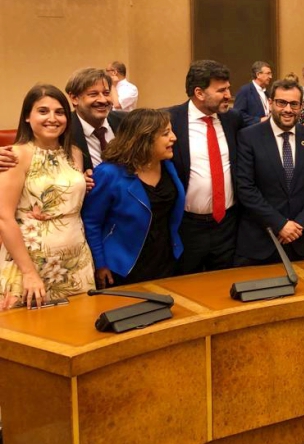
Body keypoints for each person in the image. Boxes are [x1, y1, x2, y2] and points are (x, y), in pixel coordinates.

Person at [0, 84, 95, 309]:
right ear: (27, 116)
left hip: (75, 258)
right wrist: (29, 273)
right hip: (30, 261)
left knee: (79, 323)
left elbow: (67, 196)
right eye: (43, 111)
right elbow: (4, 218)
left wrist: (82, 186)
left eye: (59, 112)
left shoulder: (74, 153)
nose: (52, 118)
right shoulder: (16, 155)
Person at [82, 109, 185, 287]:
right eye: (166, 133)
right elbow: (92, 222)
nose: (174, 137)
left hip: (165, 259)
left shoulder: (168, 166)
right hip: (123, 266)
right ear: (144, 138)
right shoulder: (109, 173)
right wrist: (100, 264)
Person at [236, 79, 304, 263]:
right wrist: (280, 224)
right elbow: (245, 188)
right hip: (260, 241)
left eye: (294, 104)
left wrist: (299, 224)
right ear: (270, 103)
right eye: (281, 103)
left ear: (301, 106)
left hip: (299, 241)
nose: (288, 109)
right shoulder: (249, 137)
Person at [167, 60, 246, 274]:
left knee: (223, 284)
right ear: (199, 93)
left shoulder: (233, 119)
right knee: (187, 285)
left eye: (228, 88)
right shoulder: (171, 120)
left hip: (227, 226)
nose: (228, 95)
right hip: (187, 227)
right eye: (221, 90)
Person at [65, 67, 126, 171]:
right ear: (74, 98)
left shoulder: (125, 122)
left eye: (106, 93)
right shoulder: (64, 129)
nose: (103, 100)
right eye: (93, 94)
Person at [233, 61, 273, 126]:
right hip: (251, 130)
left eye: (270, 74)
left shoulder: (266, 93)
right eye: (268, 73)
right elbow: (238, 115)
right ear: (258, 75)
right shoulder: (245, 91)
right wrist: (259, 120)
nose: (270, 77)